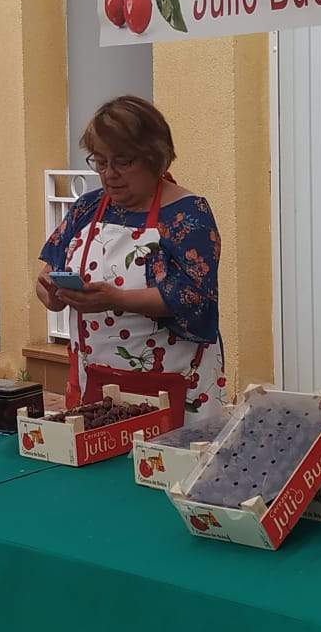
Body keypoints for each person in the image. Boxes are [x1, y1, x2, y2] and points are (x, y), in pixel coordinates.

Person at [37, 96, 225, 415]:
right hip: (94, 382)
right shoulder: (86, 208)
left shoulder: (188, 215)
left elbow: (194, 297)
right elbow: (48, 269)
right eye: (100, 162)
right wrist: (52, 294)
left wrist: (117, 300)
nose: (109, 174)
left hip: (172, 384)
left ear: (155, 157)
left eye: (123, 162)